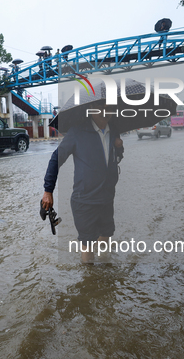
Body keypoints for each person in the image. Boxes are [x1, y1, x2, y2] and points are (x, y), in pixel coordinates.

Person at [42, 98, 124, 263]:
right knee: (88, 245)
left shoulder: (114, 130)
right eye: (102, 107)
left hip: (107, 197)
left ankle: (105, 275)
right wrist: (48, 190)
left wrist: (119, 148)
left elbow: (115, 159)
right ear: (91, 108)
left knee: (106, 236)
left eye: (110, 108)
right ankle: (89, 279)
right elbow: (56, 159)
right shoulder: (77, 132)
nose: (106, 111)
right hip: (84, 199)